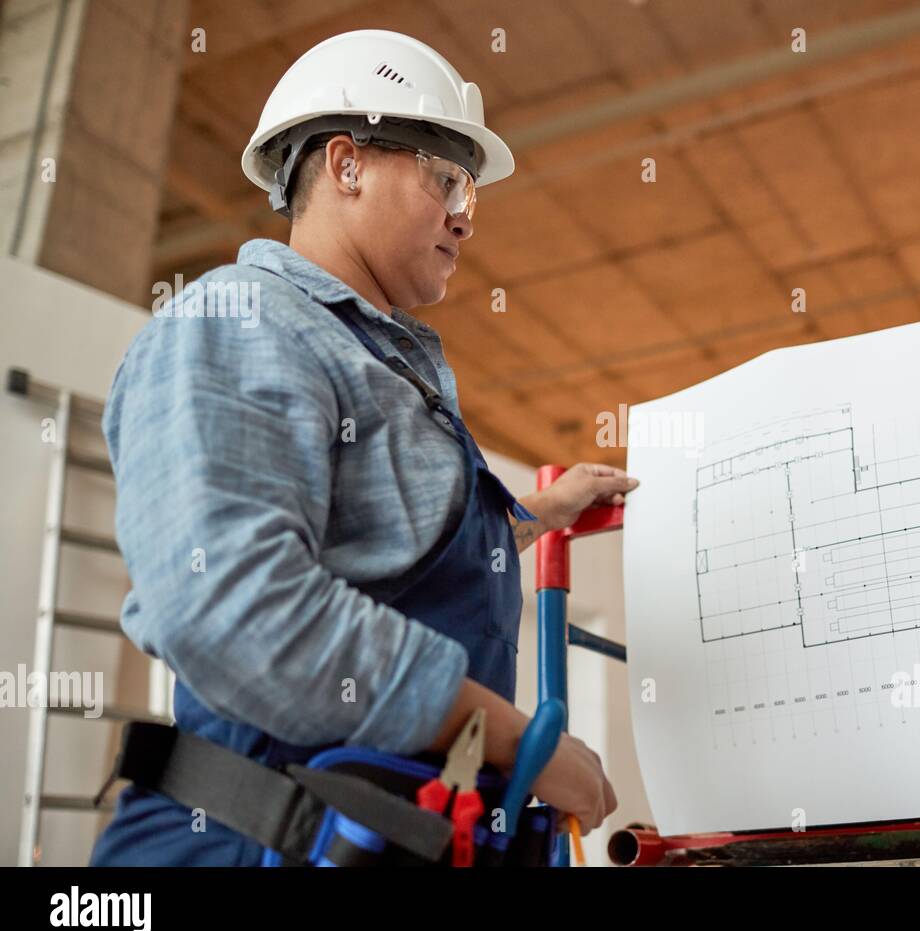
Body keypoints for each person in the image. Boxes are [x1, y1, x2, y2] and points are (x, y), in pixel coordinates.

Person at [90, 30, 635, 865]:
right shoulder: (240, 321)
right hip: (260, 838)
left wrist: (535, 516)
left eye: (471, 194)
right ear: (346, 165)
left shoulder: (370, 355)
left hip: (381, 836)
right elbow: (236, 606)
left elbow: (380, 551)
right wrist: (517, 741)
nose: (465, 215)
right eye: (447, 178)